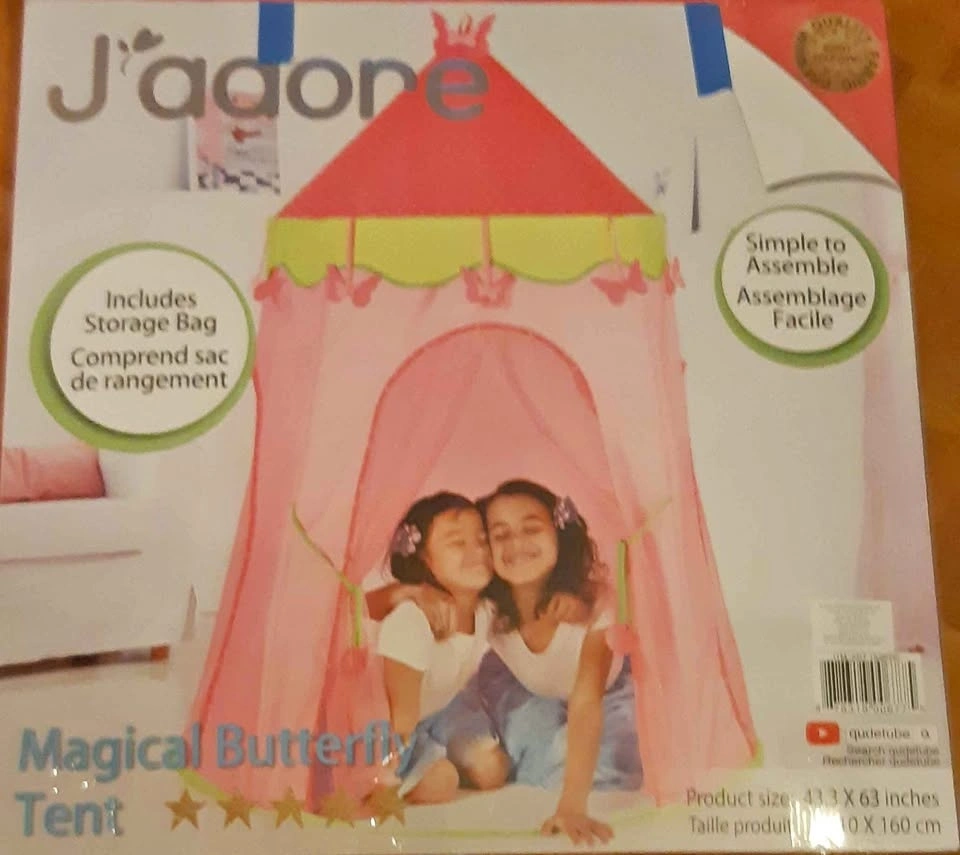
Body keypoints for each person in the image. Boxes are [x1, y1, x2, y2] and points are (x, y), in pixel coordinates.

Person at [478, 479, 643, 845]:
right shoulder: (487, 609)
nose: (516, 544)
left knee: (615, 760)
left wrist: (572, 805)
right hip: (529, 690)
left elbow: (586, 700)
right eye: (500, 535)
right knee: (528, 740)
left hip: (604, 693)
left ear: (559, 534)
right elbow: (378, 608)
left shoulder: (595, 602)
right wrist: (405, 591)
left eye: (531, 529)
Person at [376, 492, 509, 803]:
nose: (477, 551)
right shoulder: (412, 620)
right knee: (441, 782)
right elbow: (401, 718)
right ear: (424, 558)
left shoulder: (485, 610)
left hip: (439, 710)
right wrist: (383, 781)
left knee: (493, 770)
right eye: (457, 542)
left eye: (482, 540)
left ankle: (438, 747)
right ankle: (429, 759)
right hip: (390, 725)